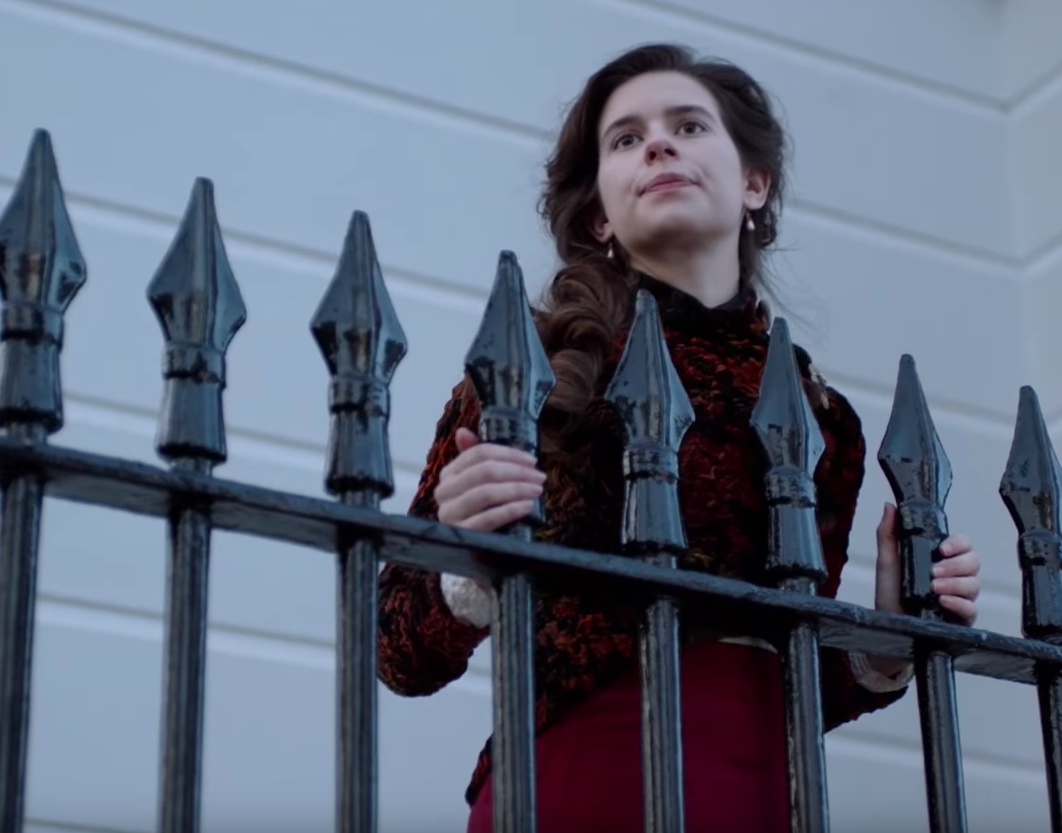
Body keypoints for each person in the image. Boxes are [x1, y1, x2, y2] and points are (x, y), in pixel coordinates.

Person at [377, 43, 982, 833]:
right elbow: (397, 653)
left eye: (689, 126)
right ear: (600, 213)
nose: (659, 144)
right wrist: (465, 561)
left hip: (762, 796)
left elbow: (795, 674)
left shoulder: (818, 412)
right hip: (572, 785)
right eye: (626, 138)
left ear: (754, 182)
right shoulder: (526, 370)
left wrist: (891, 628)